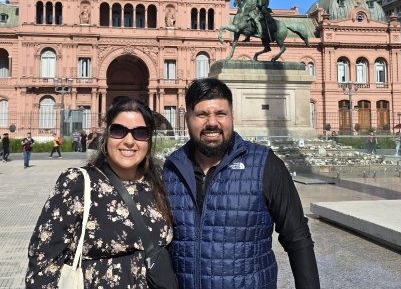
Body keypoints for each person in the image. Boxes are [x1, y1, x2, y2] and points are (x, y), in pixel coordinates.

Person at [163, 78, 320, 288]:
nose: (212, 123)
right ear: (187, 118)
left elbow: (297, 237)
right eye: (201, 114)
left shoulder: (265, 164)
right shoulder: (170, 169)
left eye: (220, 113)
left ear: (232, 117)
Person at [26, 97, 173, 288]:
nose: (129, 141)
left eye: (140, 133)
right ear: (106, 135)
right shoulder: (77, 183)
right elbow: (43, 262)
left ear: (149, 140)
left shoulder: (160, 182)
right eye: (119, 131)